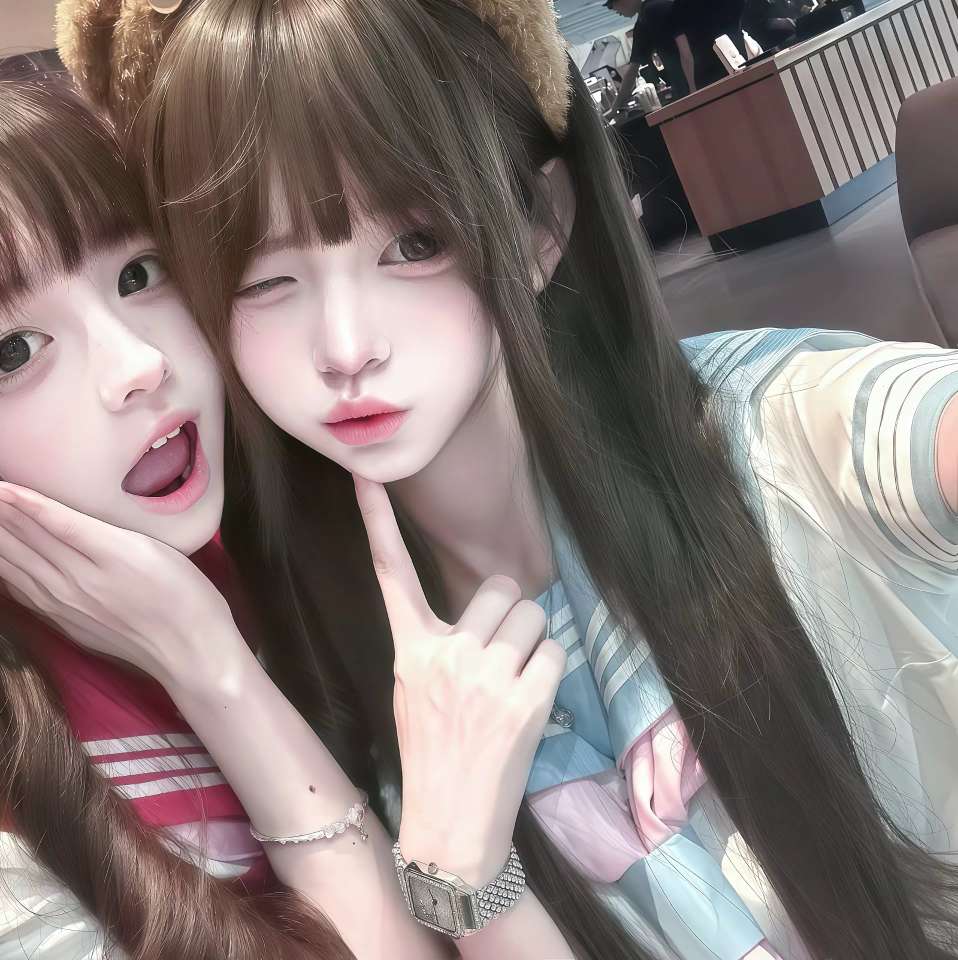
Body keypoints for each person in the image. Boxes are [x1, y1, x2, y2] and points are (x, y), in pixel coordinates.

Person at [48, 0, 958, 958]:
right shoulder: (327, 669)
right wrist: (459, 871)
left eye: (415, 244)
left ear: (537, 227)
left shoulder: (767, 432)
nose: (346, 349)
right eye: (265, 278)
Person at [0, 71, 562, 960]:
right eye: (12, 353)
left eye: (139, 273)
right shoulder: (22, 849)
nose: (138, 363)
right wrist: (213, 675)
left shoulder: (309, 536)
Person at [606, 0, 689, 112]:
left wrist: (614, 109)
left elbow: (632, 71)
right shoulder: (653, 9)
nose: (616, 11)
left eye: (615, 4)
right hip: (693, 73)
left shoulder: (648, 15)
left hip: (689, 80)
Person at [670, 0, 747, 90]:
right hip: (740, 59)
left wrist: (692, 88)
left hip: (709, 75)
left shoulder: (679, 6)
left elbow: (685, 54)